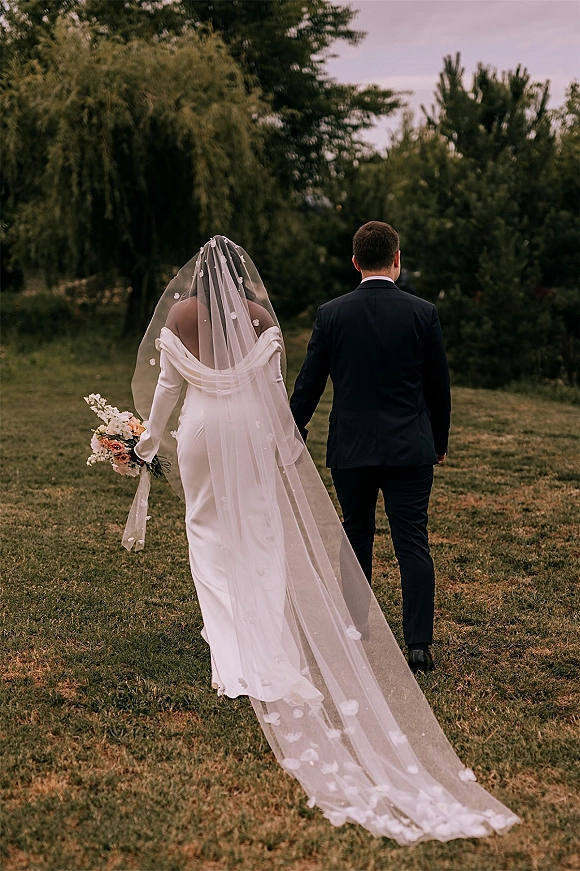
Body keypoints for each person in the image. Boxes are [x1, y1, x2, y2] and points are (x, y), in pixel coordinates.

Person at [123, 235, 518, 843]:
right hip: (294, 436)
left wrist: (145, 443)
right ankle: (393, 644)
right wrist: (287, 445)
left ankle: (241, 647)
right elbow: (282, 391)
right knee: (279, 535)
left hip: (213, 434)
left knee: (210, 533)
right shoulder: (272, 318)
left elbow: (172, 390)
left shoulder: (194, 316)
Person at [290, 221, 450, 674]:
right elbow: (439, 388)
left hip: (351, 449)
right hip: (410, 449)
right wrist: (438, 442)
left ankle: (353, 631)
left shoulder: (332, 314)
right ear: (396, 259)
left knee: (357, 531)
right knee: (412, 543)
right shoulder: (424, 313)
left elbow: (309, 385)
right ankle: (418, 646)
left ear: (355, 262)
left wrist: (291, 430)